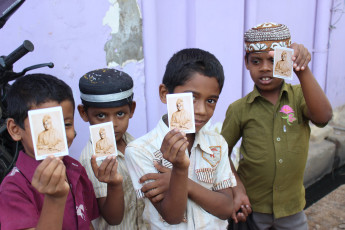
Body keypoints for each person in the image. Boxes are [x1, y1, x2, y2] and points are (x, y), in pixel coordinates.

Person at [221, 22, 333, 229]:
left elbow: (323, 116)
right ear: (246, 63)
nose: (264, 67)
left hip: (291, 209)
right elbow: (220, 153)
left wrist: (302, 69)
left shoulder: (300, 97)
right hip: (251, 208)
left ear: (286, 60)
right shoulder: (239, 109)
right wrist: (237, 190)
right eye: (256, 61)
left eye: (273, 60)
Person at [125, 48, 237, 229]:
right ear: (164, 93)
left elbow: (226, 208)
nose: (201, 110)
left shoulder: (217, 144)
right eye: (192, 98)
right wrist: (179, 168)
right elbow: (172, 216)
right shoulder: (140, 151)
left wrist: (183, 183)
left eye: (211, 101)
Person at [0, 74, 100, 229]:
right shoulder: (13, 188)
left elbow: (87, 223)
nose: (57, 134)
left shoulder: (75, 169)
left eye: (66, 124)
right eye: (44, 125)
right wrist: (55, 199)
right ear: (15, 129)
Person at [78, 68, 149, 230]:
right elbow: (112, 217)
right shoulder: (92, 158)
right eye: (101, 116)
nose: (112, 124)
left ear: (132, 109)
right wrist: (114, 184)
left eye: (120, 114)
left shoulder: (134, 143)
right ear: (84, 113)